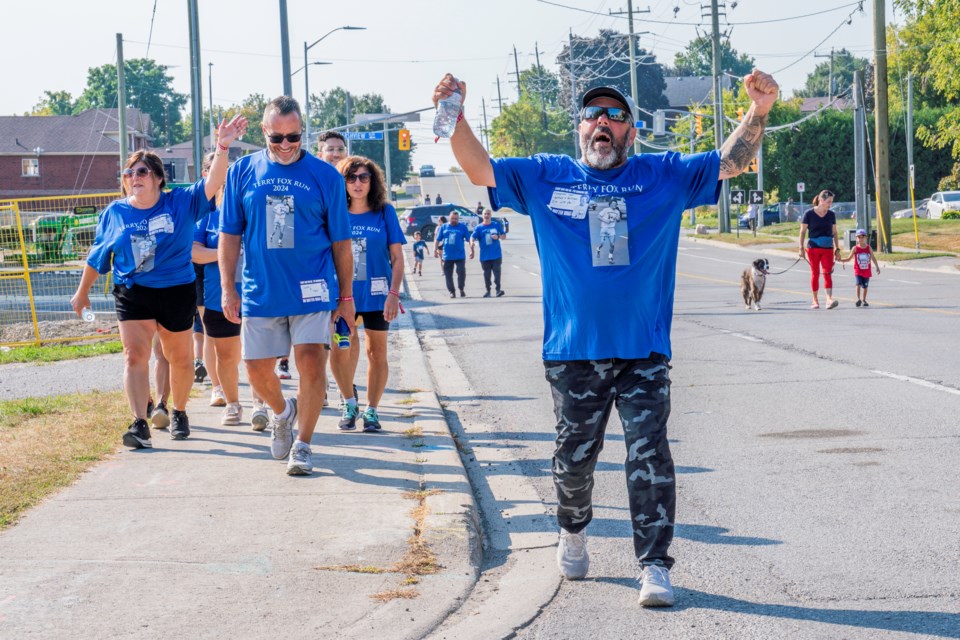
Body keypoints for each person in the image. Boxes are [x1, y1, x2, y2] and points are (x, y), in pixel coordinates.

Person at [433, 69, 778, 606]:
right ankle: (572, 528)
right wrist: (454, 112)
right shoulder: (546, 176)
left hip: (644, 349)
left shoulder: (662, 175)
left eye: (616, 117)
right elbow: (479, 168)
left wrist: (758, 111)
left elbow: (729, 162)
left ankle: (655, 565)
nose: (603, 123)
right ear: (579, 128)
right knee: (574, 459)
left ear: (631, 132)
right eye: (594, 115)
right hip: (573, 351)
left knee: (650, 456)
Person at [70, 115, 248, 449]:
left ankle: (178, 410)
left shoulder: (181, 202)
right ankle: (139, 423)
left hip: (176, 290)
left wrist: (222, 145)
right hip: (132, 291)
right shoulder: (116, 213)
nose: (133, 177)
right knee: (133, 356)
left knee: (179, 358)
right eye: (128, 172)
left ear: (157, 178)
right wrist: (82, 293)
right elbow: (97, 256)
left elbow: (213, 182)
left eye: (141, 171)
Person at [219, 95, 353, 476]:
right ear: (264, 132)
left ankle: (305, 444)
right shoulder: (243, 171)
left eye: (293, 137)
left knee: (311, 363)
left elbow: (341, 242)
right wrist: (228, 288)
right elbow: (229, 236)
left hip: (312, 288)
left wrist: (345, 298)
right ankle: (282, 411)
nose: (285, 145)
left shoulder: (325, 176)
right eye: (277, 138)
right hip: (261, 290)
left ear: (301, 133)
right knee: (256, 370)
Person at [330, 156, 406, 432]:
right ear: (342, 182)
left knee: (377, 353)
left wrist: (394, 294)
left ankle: (372, 411)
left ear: (372, 181)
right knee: (342, 349)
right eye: (351, 178)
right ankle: (349, 403)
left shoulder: (384, 212)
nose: (358, 183)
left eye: (364, 177)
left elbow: (397, 258)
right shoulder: (334, 212)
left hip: (377, 295)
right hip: (344, 297)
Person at [192, 152, 245, 426]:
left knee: (241, 345)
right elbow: (195, 252)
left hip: (246, 285)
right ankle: (219, 388)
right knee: (211, 336)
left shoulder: (243, 206)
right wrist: (227, 253)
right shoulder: (204, 213)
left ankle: (255, 398)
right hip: (208, 281)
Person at [799, 189, 841, 309]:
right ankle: (815, 300)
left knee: (828, 273)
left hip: (828, 248)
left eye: (831, 202)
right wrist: (801, 248)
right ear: (821, 200)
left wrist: (837, 249)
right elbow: (802, 232)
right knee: (815, 274)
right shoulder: (809, 214)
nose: (830, 204)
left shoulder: (831, 215)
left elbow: (835, 233)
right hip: (813, 248)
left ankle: (829, 300)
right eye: (828, 201)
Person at [469, 208, 507, 297]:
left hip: (496, 255)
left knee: (497, 273)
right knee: (487, 274)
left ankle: (498, 290)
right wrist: (472, 243)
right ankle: (488, 290)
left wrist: (498, 236)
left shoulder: (496, 225)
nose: (486, 215)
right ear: (482, 215)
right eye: (485, 214)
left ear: (491, 215)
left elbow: (504, 236)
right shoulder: (479, 227)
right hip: (484, 256)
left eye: (488, 214)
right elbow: (472, 237)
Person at [433, 210, 470, 298]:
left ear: (458, 219)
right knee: (448, 275)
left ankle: (461, 289)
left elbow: (469, 239)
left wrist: (472, 248)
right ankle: (452, 291)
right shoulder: (444, 227)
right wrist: (435, 250)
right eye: (452, 218)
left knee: (461, 272)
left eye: (456, 219)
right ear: (449, 218)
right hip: (447, 256)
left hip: (460, 255)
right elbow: (437, 239)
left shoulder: (462, 227)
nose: (454, 220)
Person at [840, 228, 880, 307]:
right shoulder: (855, 248)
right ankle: (858, 299)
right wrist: (841, 260)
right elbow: (848, 258)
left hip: (867, 271)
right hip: (858, 270)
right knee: (858, 284)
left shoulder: (869, 248)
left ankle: (864, 299)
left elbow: (873, 258)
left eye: (863, 237)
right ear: (856, 238)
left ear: (866, 238)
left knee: (865, 286)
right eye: (859, 237)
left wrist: (877, 266)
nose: (861, 239)